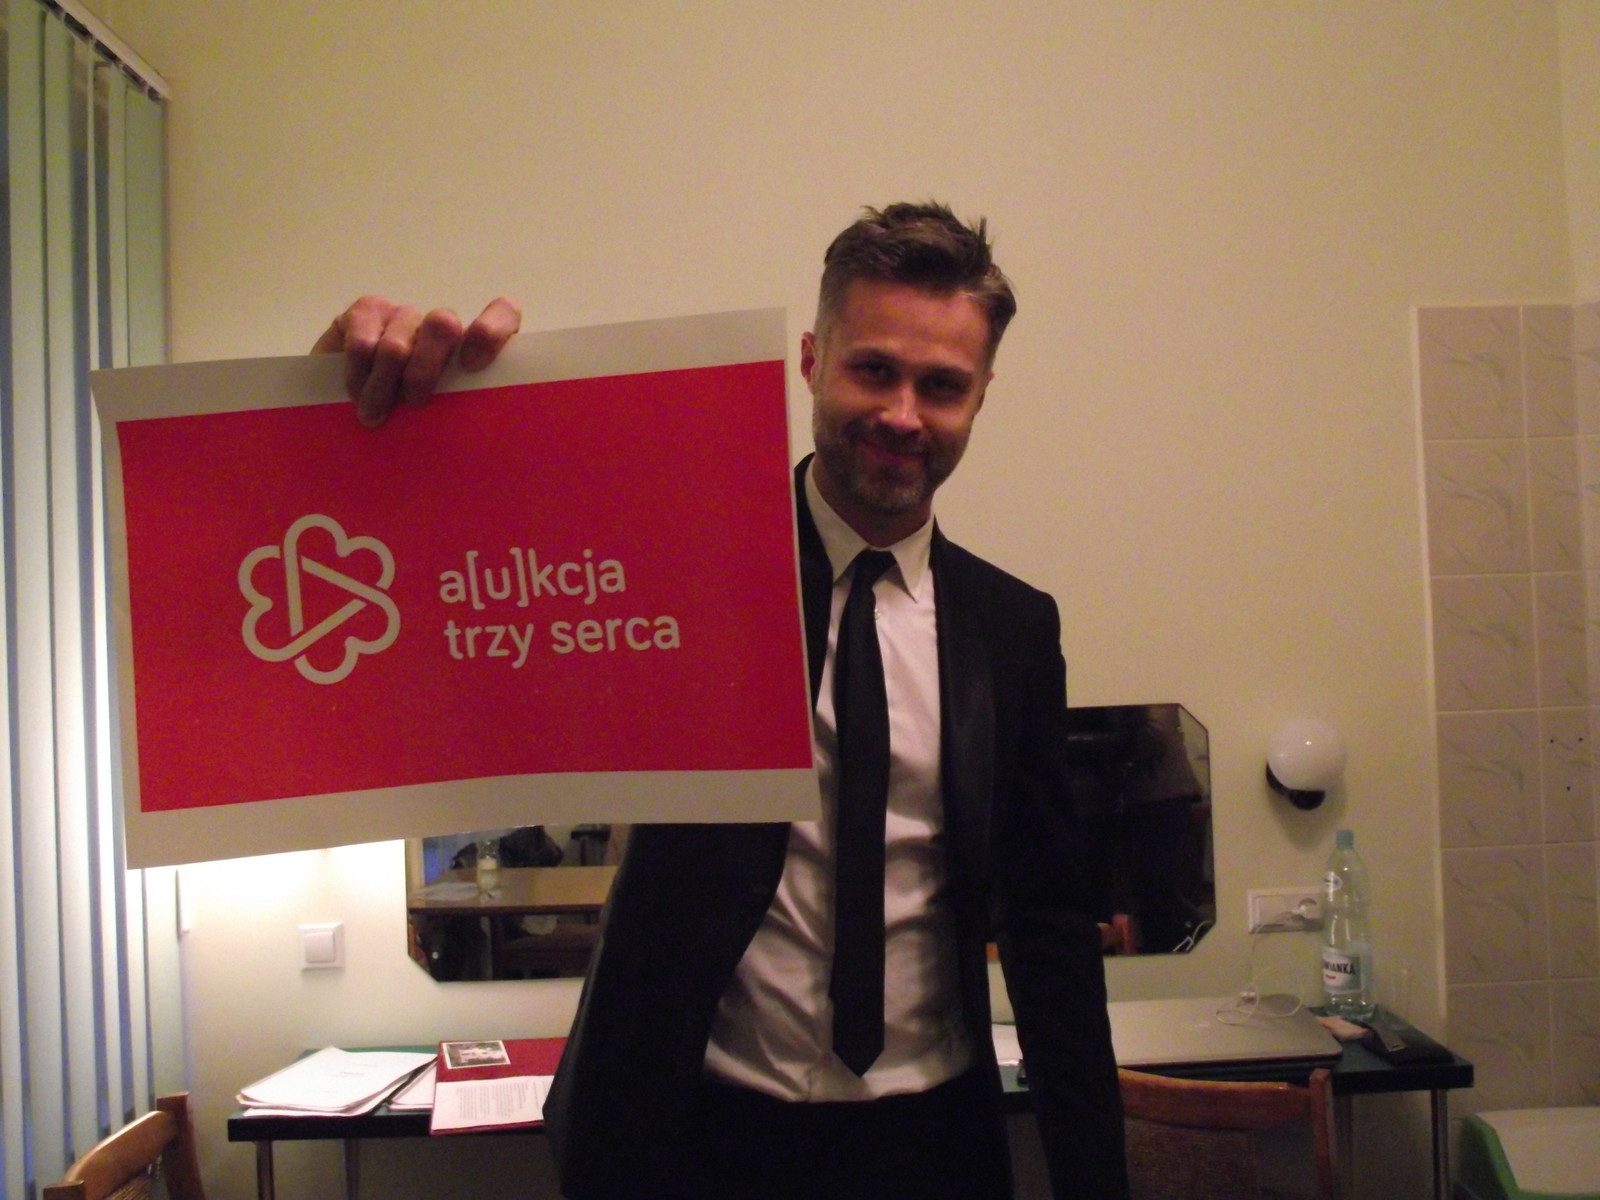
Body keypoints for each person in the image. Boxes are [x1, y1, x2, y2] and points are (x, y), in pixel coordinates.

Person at [316, 203, 1127, 1200]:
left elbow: (1047, 920)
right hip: (700, 1137)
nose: (902, 413)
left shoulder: (1013, 627)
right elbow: (452, 583)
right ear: (810, 361)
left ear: (981, 395)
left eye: (941, 385)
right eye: (874, 369)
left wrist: (1095, 1177)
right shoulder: (674, 576)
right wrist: (360, 415)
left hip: (937, 1143)